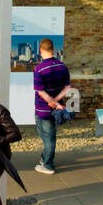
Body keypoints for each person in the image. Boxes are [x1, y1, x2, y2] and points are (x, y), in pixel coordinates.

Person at [32, 38, 71, 175]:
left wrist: (51, 101)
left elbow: (40, 91)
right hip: (57, 108)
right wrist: (56, 101)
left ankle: (47, 165)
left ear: (40, 50)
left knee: (48, 138)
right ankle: (45, 160)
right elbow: (67, 87)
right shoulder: (62, 66)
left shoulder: (39, 69)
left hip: (43, 110)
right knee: (51, 136)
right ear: (53, 50)